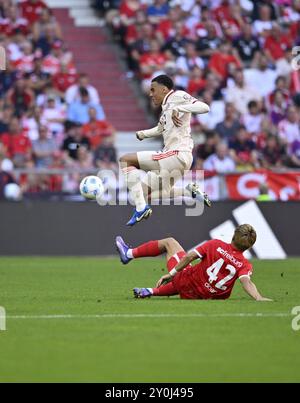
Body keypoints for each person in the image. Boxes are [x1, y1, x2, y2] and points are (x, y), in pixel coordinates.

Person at [119, 74, 211, 226]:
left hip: (176, 154)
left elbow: (204, 107)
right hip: (177, 159)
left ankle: (141, 209)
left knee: (125, 160)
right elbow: (160, 129)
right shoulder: (165, 109)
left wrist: (180, 107)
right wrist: (143, 134)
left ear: (163, 89)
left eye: (153, 90)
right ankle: (189, 192)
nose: (150, 94)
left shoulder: (178, 95)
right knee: (139, 193)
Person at [115, 224, 272, 302]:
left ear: (233, 236)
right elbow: (246, 282)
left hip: (188, 286)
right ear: (250, 246)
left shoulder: (215, 245)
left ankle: (128, 254)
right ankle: (150, 291)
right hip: (207, 297)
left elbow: (189, 257)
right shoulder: (245, 265)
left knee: (170, 243)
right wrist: (258, 297)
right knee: (193, 277)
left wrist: (171, 273)